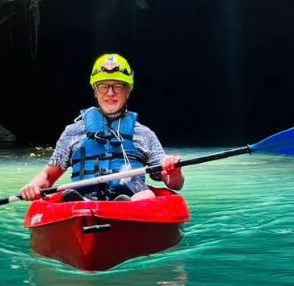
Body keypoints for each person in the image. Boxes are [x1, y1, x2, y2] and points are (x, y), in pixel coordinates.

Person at [20, 53, 184, 202]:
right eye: (104, 86)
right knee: (62, 195)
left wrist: (174, 171)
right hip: (84, 201)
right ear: (95, 91)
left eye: (118, 86)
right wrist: (33, 186)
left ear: (128, 91)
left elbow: (174, 183)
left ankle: (124, 207)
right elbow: (48, 177)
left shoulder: (144, 134)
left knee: (147, 196)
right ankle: (79, 205)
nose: (110, 93)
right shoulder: (72, 132)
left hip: (133, 201)